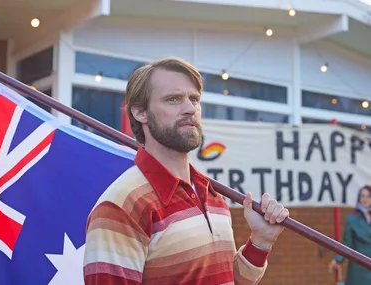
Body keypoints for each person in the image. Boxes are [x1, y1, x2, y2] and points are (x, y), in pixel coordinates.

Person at [83, 57, 289, 285]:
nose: (190, 109)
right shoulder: (121, 206)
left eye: (194, 99)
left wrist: (260, 242)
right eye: (173, 99)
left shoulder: (213, 195)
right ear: (140, 112)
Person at [329, 185, 371, 285]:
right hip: (359, 266)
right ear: (359, 198)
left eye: (368, 196)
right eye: (362, 196)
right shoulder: (352, 219)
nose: (365, 199)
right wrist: (338, 259)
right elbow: (347, 243)